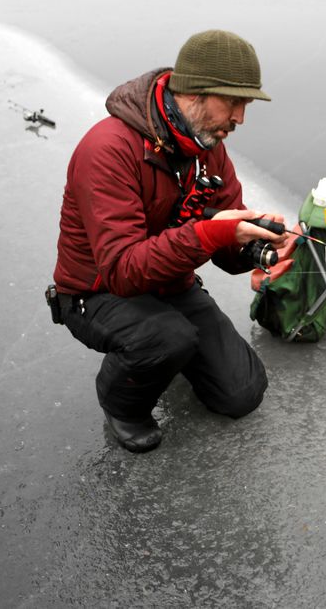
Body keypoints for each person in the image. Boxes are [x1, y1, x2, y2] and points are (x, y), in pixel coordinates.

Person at [52, 29, 286, 453]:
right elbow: (122, 271)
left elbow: (224, 242)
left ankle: (170, 351)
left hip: (169, 280)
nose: (240, 118)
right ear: (195, 93)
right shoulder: (107, 149)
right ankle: (121, 403)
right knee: (166, 339)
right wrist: (212, 233)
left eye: (246, 105)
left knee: (242, 393)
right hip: (97, 291)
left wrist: (256, 247)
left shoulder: (208, 146)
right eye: (234, 102)